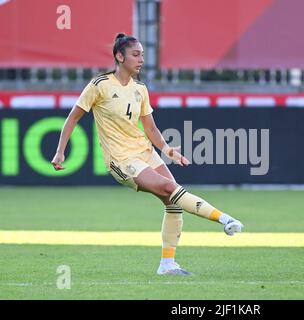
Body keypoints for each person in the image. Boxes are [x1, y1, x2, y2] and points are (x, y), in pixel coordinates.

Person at [51, 33, 244, 276]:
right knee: (169, 189)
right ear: (119, 57)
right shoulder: (99, 85)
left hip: (145, 152)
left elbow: (150, 128)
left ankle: (167, 265)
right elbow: (73, 118)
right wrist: (60, 152)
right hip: (121, 160)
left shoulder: (140, 89)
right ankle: (224, 219)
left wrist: (166, 150)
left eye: (142, 54)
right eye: (135, 54)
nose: (141, 59)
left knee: (173, 202)